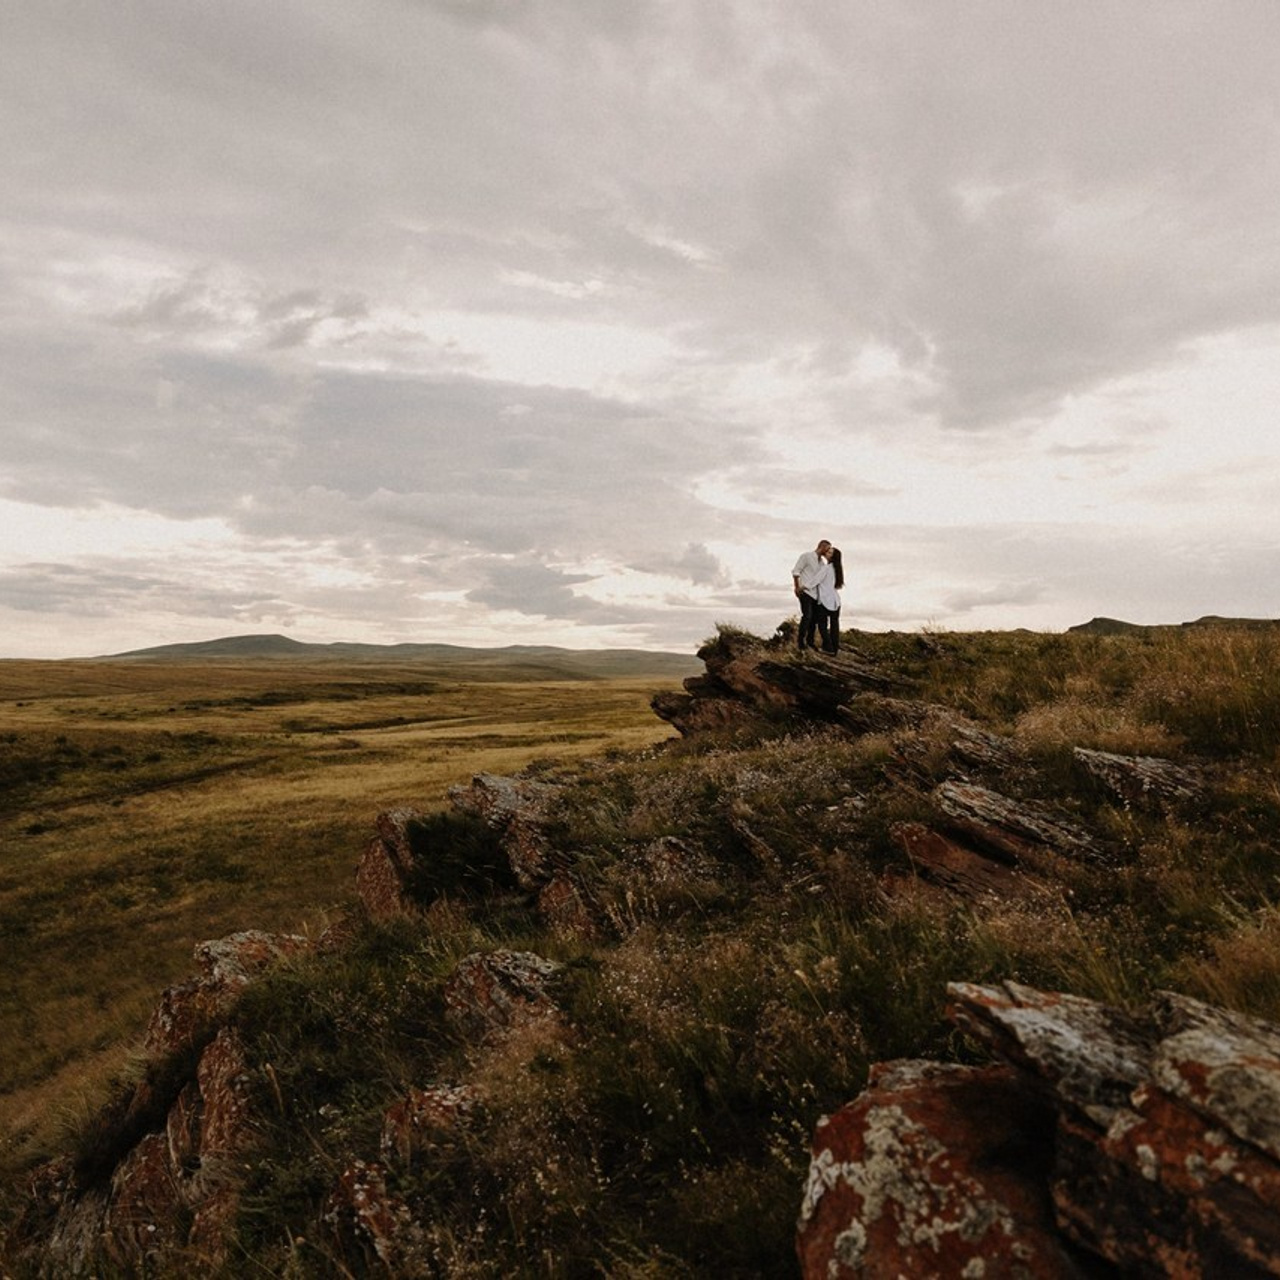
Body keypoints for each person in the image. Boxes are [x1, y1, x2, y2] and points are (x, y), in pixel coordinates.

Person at [791, 539, 831, 650]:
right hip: (805, 592)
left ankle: (810, 642)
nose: (828, 551)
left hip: (816, 595)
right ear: (822, 547)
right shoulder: (806, 556)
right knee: (807, 616)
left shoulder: (822, 564)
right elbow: (796, 572)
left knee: (814, 619)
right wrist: (797, 587)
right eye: (827, 549)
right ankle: (800, 642)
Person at [815, 546, 843, 654]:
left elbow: (814, 581)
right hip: (836, 601)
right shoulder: (838, 570)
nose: (827, 553)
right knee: (834, 626)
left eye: (830, 552)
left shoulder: (826, 568)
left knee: (822, 625)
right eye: (827, 551)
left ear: (833, 556)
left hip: (825, 600)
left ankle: (828, 647)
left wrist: (802, 587)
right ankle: (834, 648)